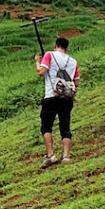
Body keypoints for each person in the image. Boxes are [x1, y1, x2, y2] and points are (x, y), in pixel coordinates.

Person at [37, 36, 80, 167]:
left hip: (51, 96)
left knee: (46, 126)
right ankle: (66, 156)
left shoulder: (49, 55)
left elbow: (41, 72)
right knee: (65, 126)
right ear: (66, 48)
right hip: (66, 98)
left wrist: (38, 62)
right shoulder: (73, 61)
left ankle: (51, 155)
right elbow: (76, 82)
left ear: (56, 45)